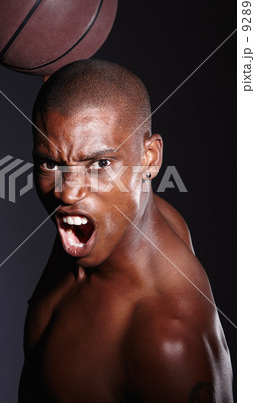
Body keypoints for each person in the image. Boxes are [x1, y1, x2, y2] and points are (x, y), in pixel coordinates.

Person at [18, 59, 233, 402]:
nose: (67, 192)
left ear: (149, 159)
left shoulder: (168, 341)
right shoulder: (104, 216)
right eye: (50, 163)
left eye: (100, 164)